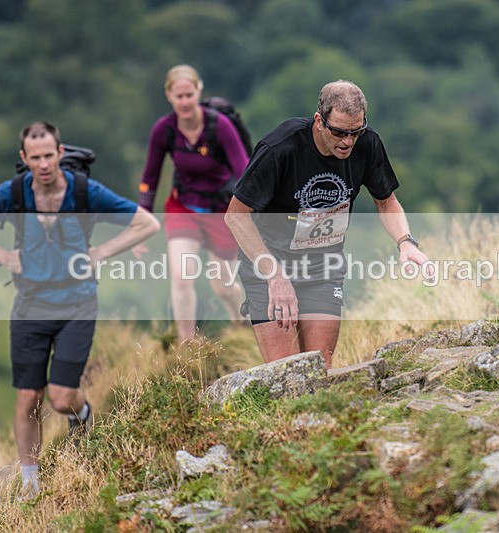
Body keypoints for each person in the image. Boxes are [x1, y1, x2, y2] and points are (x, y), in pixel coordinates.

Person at [0, 122, 160, 498]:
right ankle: (31, 483)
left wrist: (101, 252)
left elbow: (147, 223)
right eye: (36, 157)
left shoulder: (84, 192)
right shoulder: (14, 193)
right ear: (24, 159)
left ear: (60, 153)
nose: (44, 163)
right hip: (29, 304)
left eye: (50, 155)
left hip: (77, 303)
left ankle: (83, 416)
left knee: (61, 398)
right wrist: (2, 256)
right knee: (28, 397)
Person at [225, 80, 433, 368]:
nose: (347, 141)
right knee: (285, 374)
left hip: (322, 266)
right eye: (339, 132)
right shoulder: (280, 148)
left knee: (318, 368)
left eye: (355, 131)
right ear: (319, 121)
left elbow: (386, 201)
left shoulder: (368, 144)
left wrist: (405, 242)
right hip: (269, 263)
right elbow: (235, 215)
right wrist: (274, 275)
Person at [137, 64, 248, 344]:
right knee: (182, 277)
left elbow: (245, 171)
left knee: (223, 286)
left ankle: (241, 323)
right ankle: (186, 347)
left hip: (221, 211)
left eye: (189, 95)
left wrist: (253, 215)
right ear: (169, 96)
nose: (185, 102)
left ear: (198, 91)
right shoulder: (164, 130)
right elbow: (149, 178)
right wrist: (141, 224)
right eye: (179, 96)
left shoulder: (218, 126)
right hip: (183, 207)